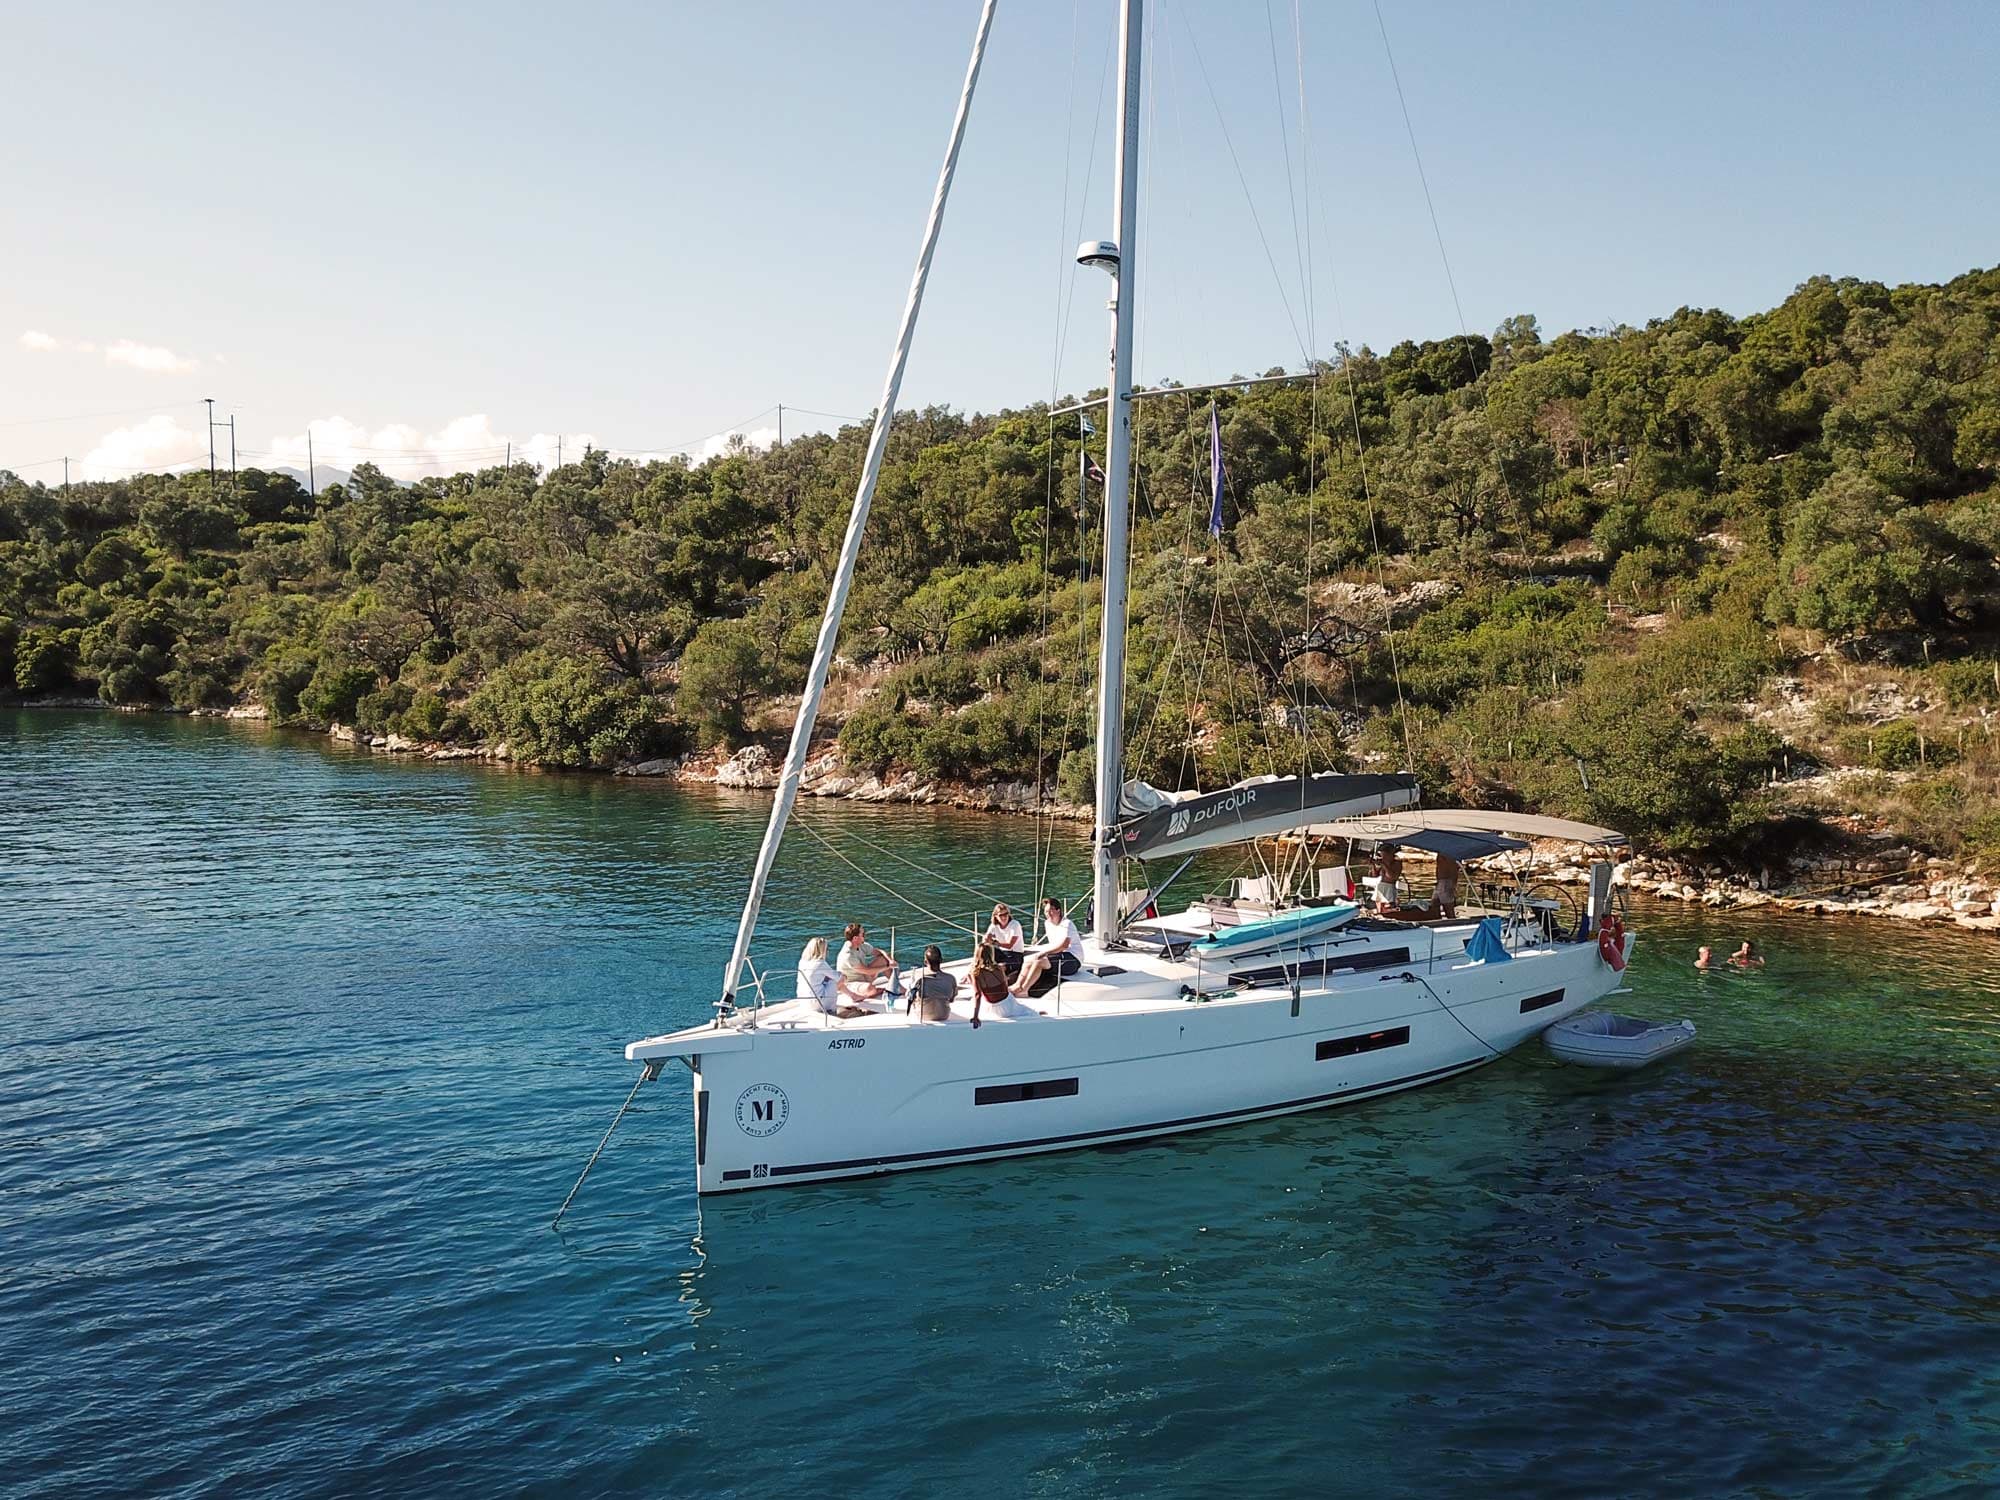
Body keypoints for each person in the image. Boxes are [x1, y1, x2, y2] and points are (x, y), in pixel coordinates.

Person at [1012, 896, 1084, 998]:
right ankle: (1017, 985)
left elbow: (1064, 946)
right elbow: (1054, 944)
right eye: (1046, 911)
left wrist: (1045, 953)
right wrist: (1043, 954)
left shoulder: (1067, 923)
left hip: (1073, 959)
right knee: (1028, 960)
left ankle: (1024, 990)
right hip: (1059, 955)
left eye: (1051, 910)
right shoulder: (1047, 923)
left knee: (1039, 962)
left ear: (1058, 910)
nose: (1048, 914)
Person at [797, 936, 877, 1019]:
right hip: (817, 1004)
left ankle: (853, 996)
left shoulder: (802, 962)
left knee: (829, 980)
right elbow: (839, 978)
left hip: (804, 1001)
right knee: (834, 980)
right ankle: (835, 1007)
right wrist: (844, 976)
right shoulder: (820, 963)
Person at [837, 922, 900, 998]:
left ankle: (897, 986)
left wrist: (890, 961)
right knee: (869, 988)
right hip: (851, 983)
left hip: (864, 977)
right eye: (863, 934)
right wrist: (888, 967)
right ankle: (876, 991)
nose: (865, 936)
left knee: (883, 959)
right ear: (855, 938)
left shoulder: (861, 945)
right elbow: (867, 971)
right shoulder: (848, 955)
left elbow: (880, 952)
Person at [909, 944, 958, 1023]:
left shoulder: (919, 979)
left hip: (923, 1016)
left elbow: (910, 998)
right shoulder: (950, 979)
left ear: (925, 962)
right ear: (941, 960)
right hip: (944, 1015)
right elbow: (951, 999)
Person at [982, 902, 1026, 977]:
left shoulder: (1015, 925)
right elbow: (986, 938)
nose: (1004, 917)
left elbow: (1010, 945)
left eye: (1006, 914)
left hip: (1015, 954)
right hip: (1002, 952)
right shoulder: (994, 925)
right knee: (983, 951)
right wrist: (986, 938)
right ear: (996, 916)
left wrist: (995, 943)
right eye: (1000, 915)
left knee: (1001, 967)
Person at [1431, 853, 1462, 919]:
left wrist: (1453, 884)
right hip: (1440, 882)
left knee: (1448, 908)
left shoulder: (1450, 854)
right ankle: (1438, 920)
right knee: (1434, 905)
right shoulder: (1441, 853)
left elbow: (1454, 868)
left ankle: (1453, 921)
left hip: (1446, 882)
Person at [1374, 846, 1403, 913]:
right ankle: (1379, 914)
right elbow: (1375, 875)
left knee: (1387, 906)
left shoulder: (1396, 863)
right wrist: (1373, 865)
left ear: (1390, 854)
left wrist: (1384, 865)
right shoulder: (1382, 862)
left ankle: (1392, 912)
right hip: (1381, 885)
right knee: (1379, 906)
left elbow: (1392, 876)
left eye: (1384, 856)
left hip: (1389, 886)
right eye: (1382, 856)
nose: (1383, 858)